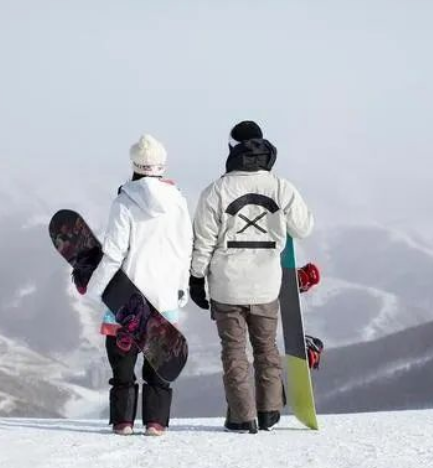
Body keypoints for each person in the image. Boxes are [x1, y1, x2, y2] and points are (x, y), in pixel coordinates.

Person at [189, 121, 314, 433]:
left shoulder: (216, 190)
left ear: (232, 148)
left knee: (234, 352)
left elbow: (203, 241)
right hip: (266, 284)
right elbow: (304, 228)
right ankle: (270, 411)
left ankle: (242, 417)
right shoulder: (281, 187)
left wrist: (195, 279)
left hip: (226, 285)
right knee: (266, 348)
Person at [91, 134, 192, 437]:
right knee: (160, 363)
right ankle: (155, 423)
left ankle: (123, 422)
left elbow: (113, 253)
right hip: (164, 294)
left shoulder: (124, 202)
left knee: (123, 365)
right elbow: (184, 246)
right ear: (162, 166)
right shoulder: (178, 202)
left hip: (126, 296)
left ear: (134, 164)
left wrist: (97, 286)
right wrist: (181, 287)